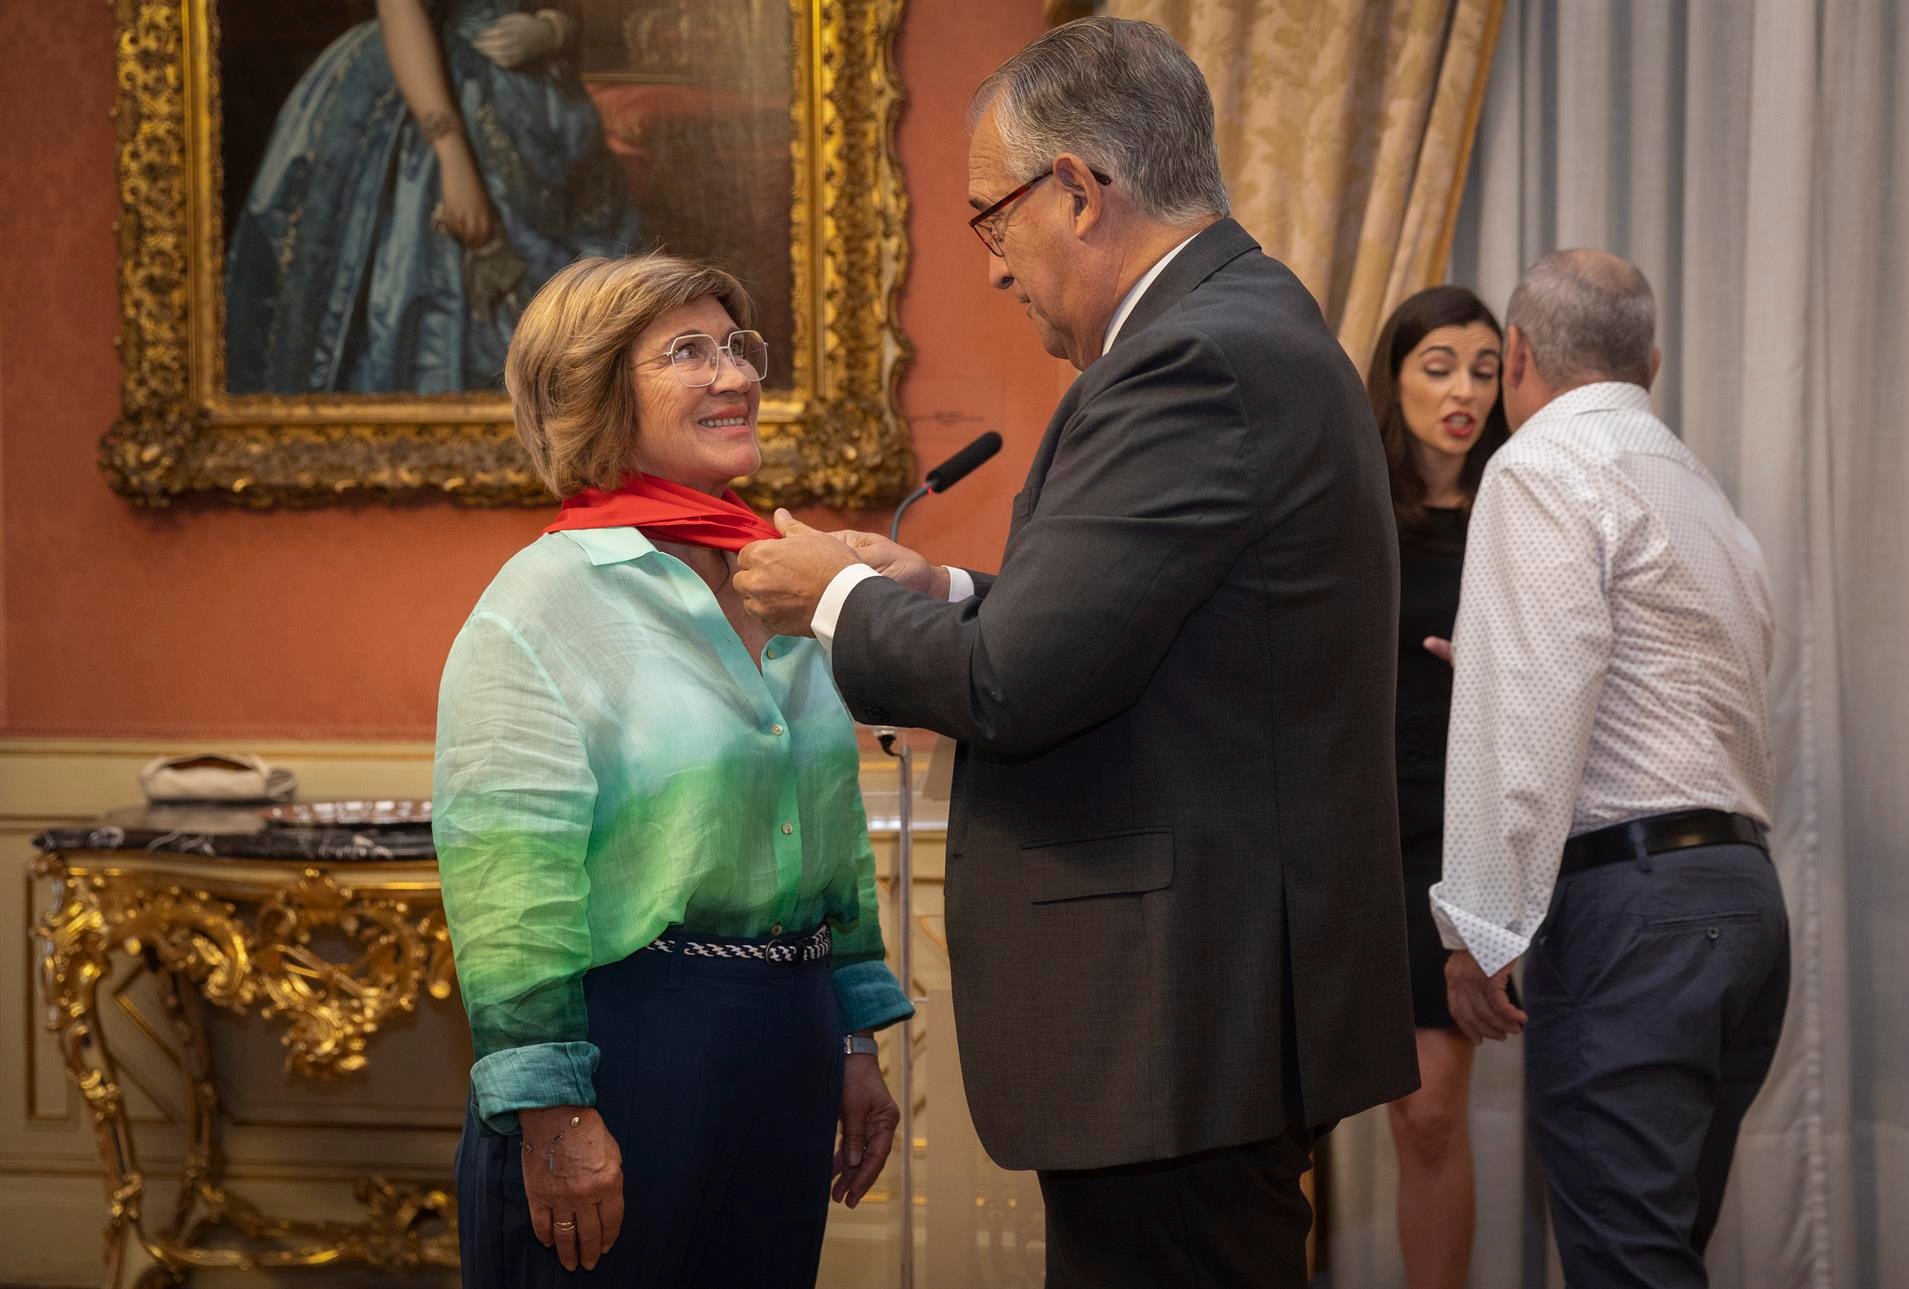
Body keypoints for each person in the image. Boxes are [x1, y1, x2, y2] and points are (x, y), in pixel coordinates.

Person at [732, 18, 1417, 1287]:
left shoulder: (1190, 359)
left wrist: (832, 601)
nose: (994, 267)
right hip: (1206, 1012)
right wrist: (941, 583)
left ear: (1080, 192)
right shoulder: (1242, 322)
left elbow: (1018, 682)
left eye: (993, 219)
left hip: (1177, 1020)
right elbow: (1159, 627)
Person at [434, 254, 910, 1285]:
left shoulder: (787, 579)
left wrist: (851, 1041)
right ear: (599, 389)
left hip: (788, 1042)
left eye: (736, 345)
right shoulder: (541, 602)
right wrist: (556, 1113)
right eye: (687, 351)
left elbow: (826, 831)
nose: (733, 374)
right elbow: (506, 894)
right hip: (626, 1049)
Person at [1430, 250, 1789, 1289]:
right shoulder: (1702, 493)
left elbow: (1533, 720)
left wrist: (1477, 925)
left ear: (1523, 357)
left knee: (1627, 1266)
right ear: (1652, 363)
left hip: (1634, 914)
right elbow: (1692, 686)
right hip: (1742, 899)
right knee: (1660, 1250)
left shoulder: (1539, 463)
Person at [226, 0, 637, 394]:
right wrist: (451, 154)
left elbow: (597, 13)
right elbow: (399, 6)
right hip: (420, 89)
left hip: (538, 103)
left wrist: (551, 29)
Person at [1364, 285, 1508, 1289]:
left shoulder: (1518, 505)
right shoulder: (1350, 505)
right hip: (1347, 825)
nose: (1465, 390)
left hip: (1453, 831)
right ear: (1397, 376)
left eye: (1487, 368)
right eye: (1440, 363)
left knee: (1427, 1109)